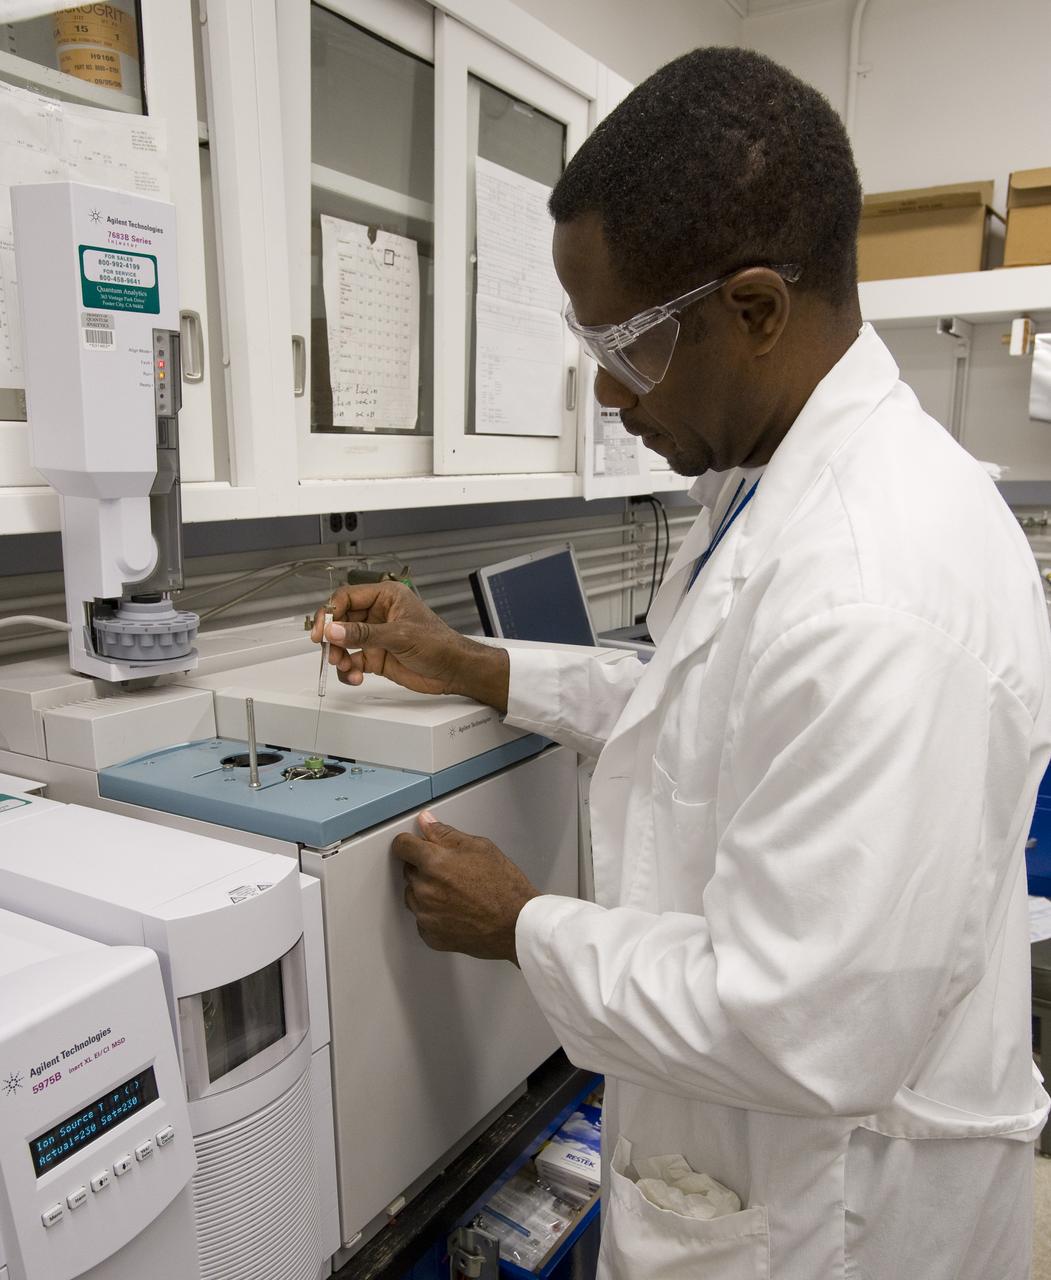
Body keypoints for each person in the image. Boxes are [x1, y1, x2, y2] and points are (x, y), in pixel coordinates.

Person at [313, 47, 1051, 1280]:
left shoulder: (876, 589)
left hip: (833, 1213)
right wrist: (477, 665)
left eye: (628, 343)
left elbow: (802, 1026)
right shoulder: (772, 486)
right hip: (769, 1168)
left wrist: (526, 924)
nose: (606, 391)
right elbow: (714, 708)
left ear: (753, 309)